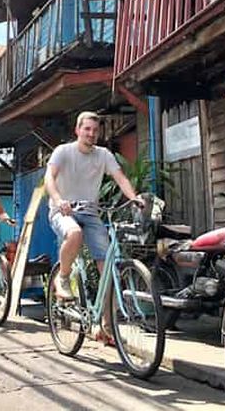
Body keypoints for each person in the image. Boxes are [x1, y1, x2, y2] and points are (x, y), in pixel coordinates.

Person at [45, 111, 142, 342]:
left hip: (90, 212)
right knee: (74, 233)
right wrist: (58, 200)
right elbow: (49, 178)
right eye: (87, 129)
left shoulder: (103, 155)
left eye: (95, 130)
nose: (91, 133)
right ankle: (63, 278)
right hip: (63, 210)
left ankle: (105, 327)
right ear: (77, 130)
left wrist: (134, 198)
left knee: (108, 267)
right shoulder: (63, 152)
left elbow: (120, 178)